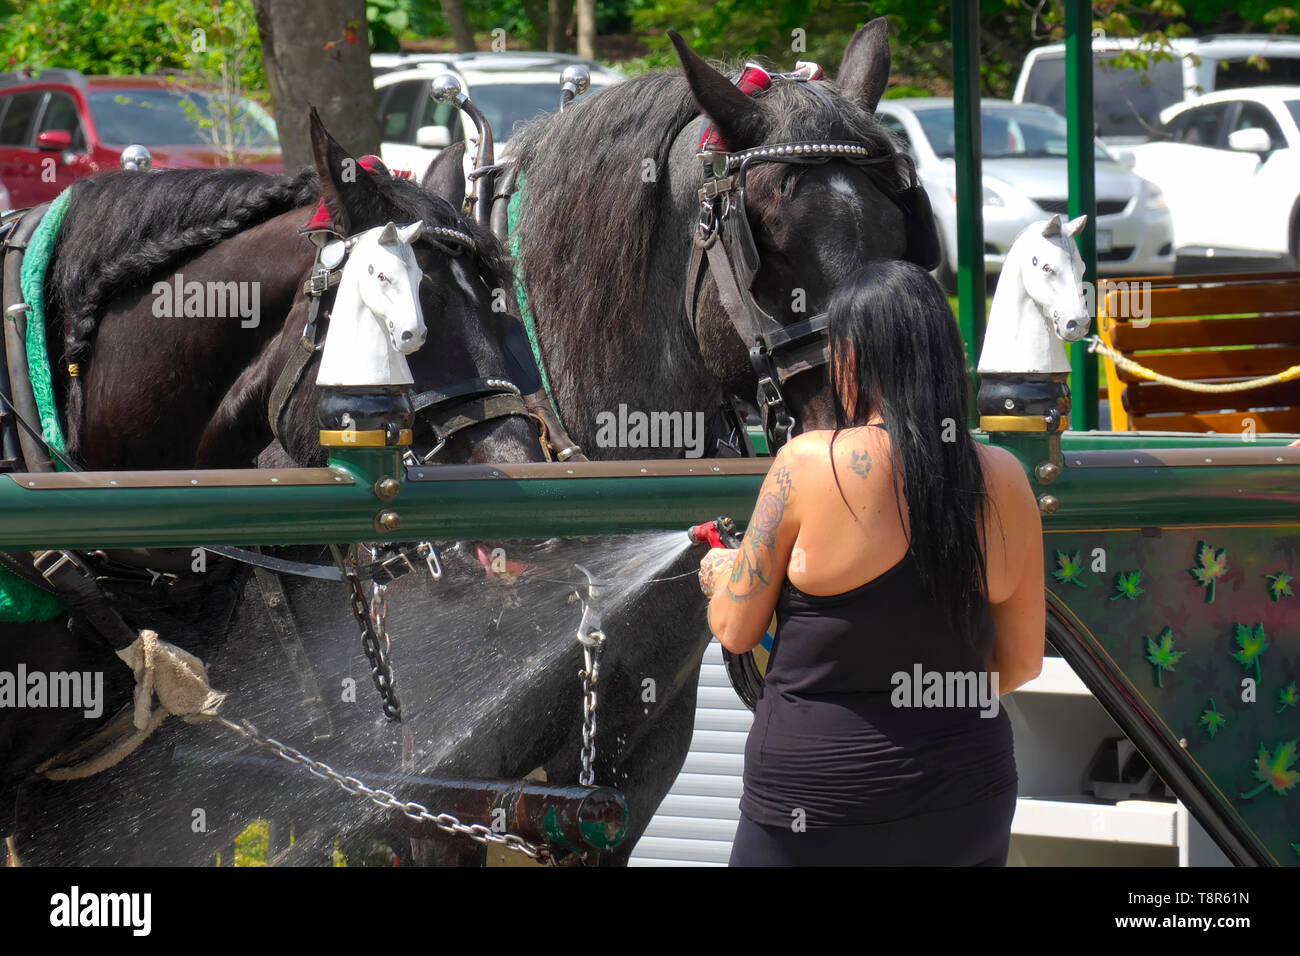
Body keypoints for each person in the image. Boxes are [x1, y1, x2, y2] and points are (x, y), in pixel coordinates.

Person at [698, 259, 1045, 866]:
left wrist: (724, 575)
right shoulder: (1007, 479)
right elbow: (1019, 663)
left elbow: (734, 627)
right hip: (966, 797)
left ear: (852, 359)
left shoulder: (807, 464)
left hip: (817, 806)